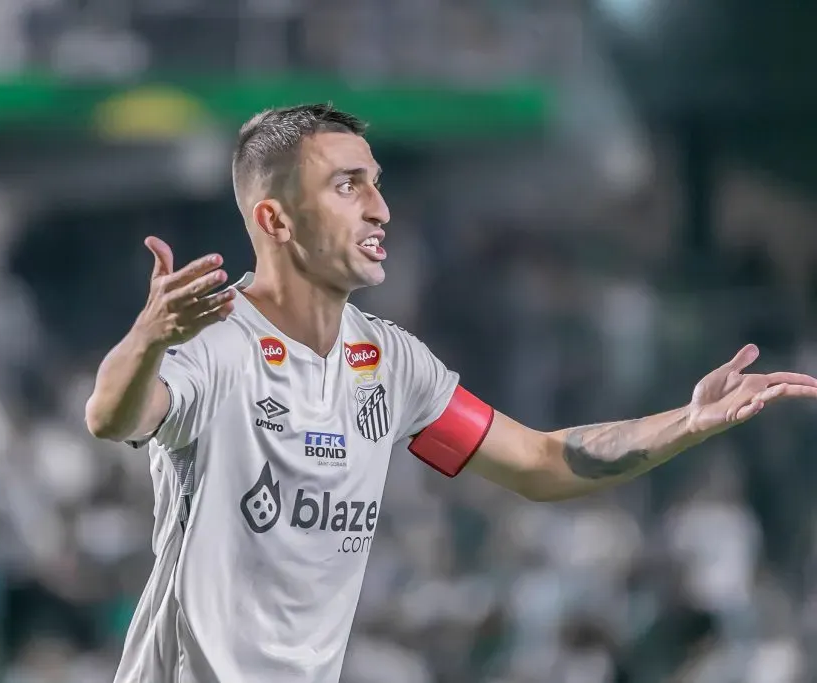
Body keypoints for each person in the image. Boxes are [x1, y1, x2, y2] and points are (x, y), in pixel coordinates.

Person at [85, 104, 817, 683]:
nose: (381, 209)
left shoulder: (391, 363)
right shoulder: (212, 344)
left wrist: (687, 422)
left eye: (376, 182)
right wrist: (146, 338)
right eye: (348, 186)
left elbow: (537, 461)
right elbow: (113, 414)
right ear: (275, 219)